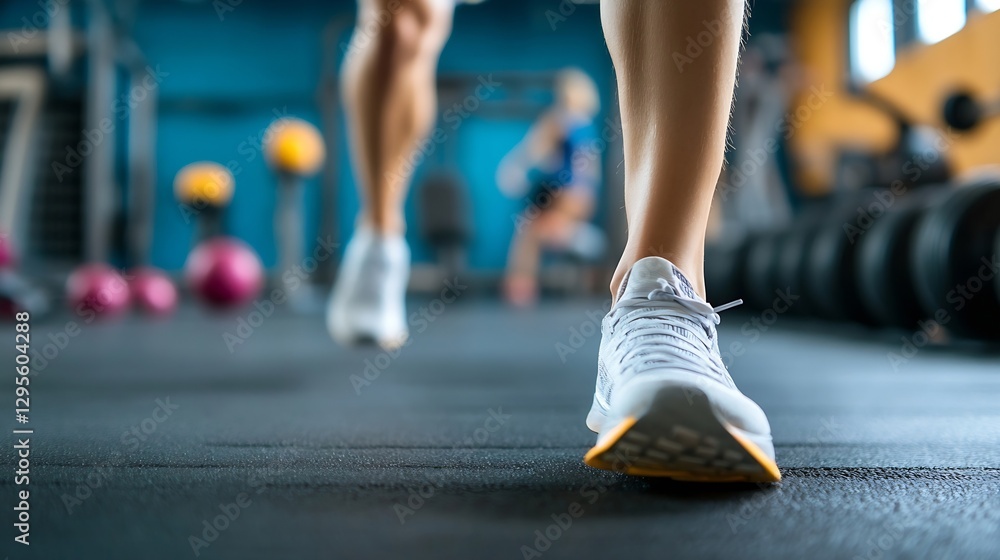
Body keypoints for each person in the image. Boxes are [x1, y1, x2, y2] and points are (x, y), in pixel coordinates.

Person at [327, 0, 779, 483]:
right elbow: (543, 148)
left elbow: (566, 157)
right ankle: (380, 235)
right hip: (560, 192)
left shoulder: (572, 125)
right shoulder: (562, 122)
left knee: (536, 234)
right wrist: (522, 166)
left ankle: (659, 292)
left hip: (568, 196)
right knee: (402, 24)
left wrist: (539, 174)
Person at [495, 68, 602, 307]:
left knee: (528, 233)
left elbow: (534, 149)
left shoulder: (559, 120)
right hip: (582, 197)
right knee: (534, 231)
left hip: (564, 194)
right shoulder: (588, 126)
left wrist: (514, 169)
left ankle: (521, 288)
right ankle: (571, 240)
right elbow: (591, 171)